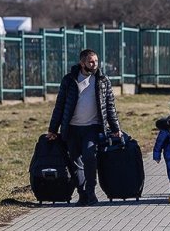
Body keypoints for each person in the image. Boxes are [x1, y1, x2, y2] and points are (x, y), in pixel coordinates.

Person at [47, 48, 121, 206]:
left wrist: (116, 128)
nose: (94, 64)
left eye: (96, 61)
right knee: (75, 162)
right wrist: (53, 129)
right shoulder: (69, 80)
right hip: (72, 128)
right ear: (82, 63)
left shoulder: (103, 80)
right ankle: (82, 194)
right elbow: (60, 106)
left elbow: (110, 106)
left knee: (89, 157)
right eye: (90, 61)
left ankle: (91, 192)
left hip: (92, 127)